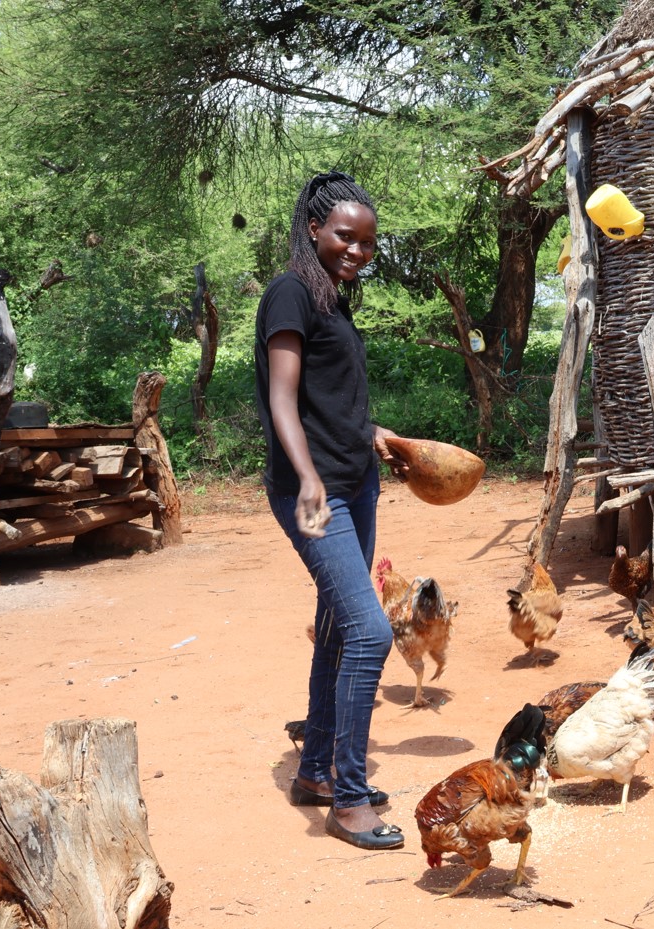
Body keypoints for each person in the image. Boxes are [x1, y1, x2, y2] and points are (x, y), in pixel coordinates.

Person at [254, 171, 407, 850]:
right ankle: (348, 799)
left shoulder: (332, 298)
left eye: (368, 242)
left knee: (341, 628)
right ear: (314, 227)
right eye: (346, 235)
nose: (357, 250)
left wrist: (369, 432)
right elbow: (282, 398)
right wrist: (310, 475)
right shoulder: (289, 290)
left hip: (356, 479)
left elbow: (327, 397)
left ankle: (316, 768)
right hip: (315, 492)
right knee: (372, 632)